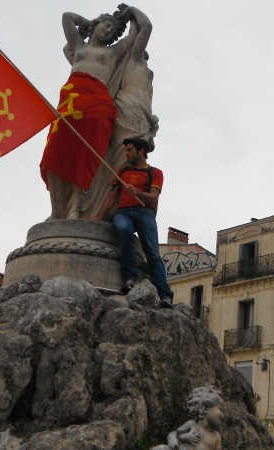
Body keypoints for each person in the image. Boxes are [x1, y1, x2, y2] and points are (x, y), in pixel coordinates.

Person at [40, 5, 151, 219]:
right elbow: (66, 17)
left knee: (86, 156)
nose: (109, 30)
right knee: (54, 154)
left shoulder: (113, 52)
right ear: (96, 24)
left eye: (112, 28)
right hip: (70, 102)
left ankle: (75, 207)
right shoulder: (79, 47)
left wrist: (130, 12)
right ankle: (57, 210)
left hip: (97, 105)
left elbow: (145, 27)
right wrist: (87, 22)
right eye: (106, 25)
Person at [90, 137, 174, 307]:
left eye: (129, 150)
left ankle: (165, 295)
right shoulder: (122, 171)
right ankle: (131, 278)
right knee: (124, 229)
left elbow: (153, 198)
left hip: (145, 213)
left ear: (141, 151)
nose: (126, 154)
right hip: (124, 213)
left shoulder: (155, 173)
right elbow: (112, 196)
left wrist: (137, 192)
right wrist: (98, 216)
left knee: (152, 253)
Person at [161, 386, 224, 450]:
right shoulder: (192, 424)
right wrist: (172, 439)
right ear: (205, 409)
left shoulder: (216, 437)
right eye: (220, 409)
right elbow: (174, 433)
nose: (222, 415)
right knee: (161, 448)